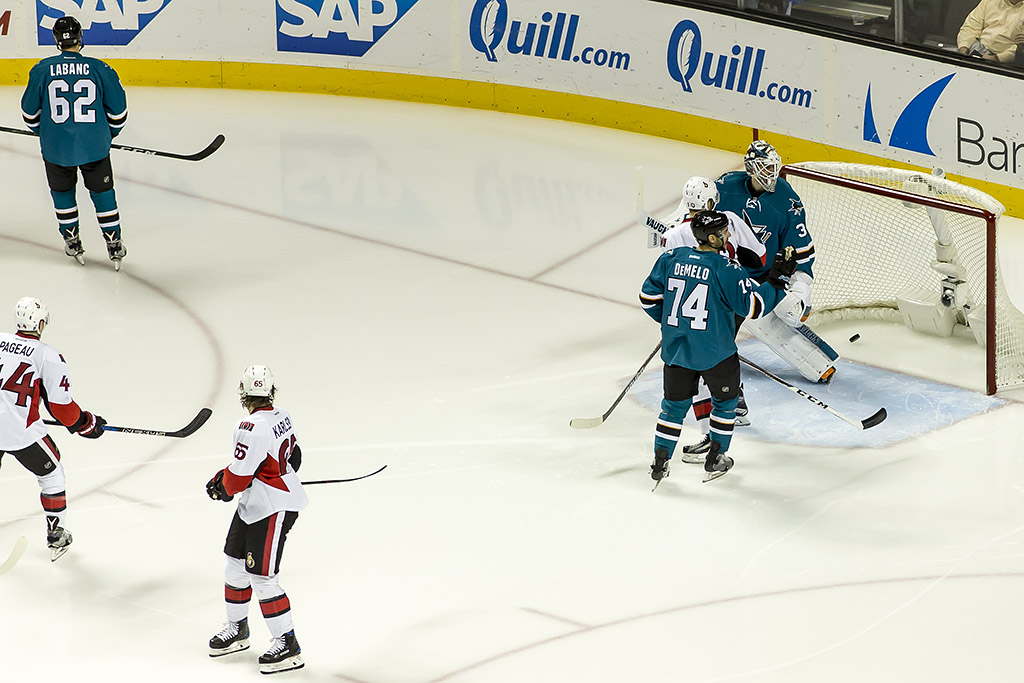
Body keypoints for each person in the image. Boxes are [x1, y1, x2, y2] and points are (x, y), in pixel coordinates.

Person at [640, 211, 797, 484]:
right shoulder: (727, 268)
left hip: (677, 350)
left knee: (672, 408)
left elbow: (648, 298)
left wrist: (673, 324)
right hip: (716, 354)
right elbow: (753, 307)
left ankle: (659, 462)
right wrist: (777, 281)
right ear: (712, 237)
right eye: (724, 232)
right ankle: (715, 459)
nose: (728, 235)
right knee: (724, 404)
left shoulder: (669, 259)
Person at [206, 365, 308, 675]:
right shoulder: (283, 416)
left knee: (263, 577)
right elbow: (296, 457)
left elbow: (237, 477)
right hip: (257, 503)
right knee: (235, 562)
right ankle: (237, 629)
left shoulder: (249, 426)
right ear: (271, 392)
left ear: (242, 392)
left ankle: (287, 643)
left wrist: (220, 487)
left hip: (273, 508)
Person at [657, 177, 767, 462]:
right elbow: (760, 256)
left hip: (688, 317)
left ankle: (718, 424)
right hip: (729, 303)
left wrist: (672, 321)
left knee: (701, 368)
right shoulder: (729, 219)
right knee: (714, 363)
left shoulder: (674, 235)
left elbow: (665, 279)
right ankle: (726, 416)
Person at [0, 297, 106, 561]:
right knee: (52, 474)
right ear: (41, 323)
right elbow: (61, 408)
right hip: (21, 434)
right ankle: (56, 534)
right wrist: (86, 423)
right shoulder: (47, 354)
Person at [20, 15, 129, 270]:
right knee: (103, 195)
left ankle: (72, 241)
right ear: (81, 38)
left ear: (57, 41)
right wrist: (107, 135)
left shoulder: (41, 69)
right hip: (95, 148)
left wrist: (45, 132)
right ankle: (114, 243)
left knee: (62, 195)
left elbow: (29, 115)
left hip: (55, 149)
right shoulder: (101, 68)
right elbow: (118, 113)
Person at [956, 0, 1024, 63]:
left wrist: (997, 58)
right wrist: (964, 48)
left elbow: (1021, 46)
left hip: (1005, 63)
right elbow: (970, 28)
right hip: (975, 51)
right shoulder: (988, 1)